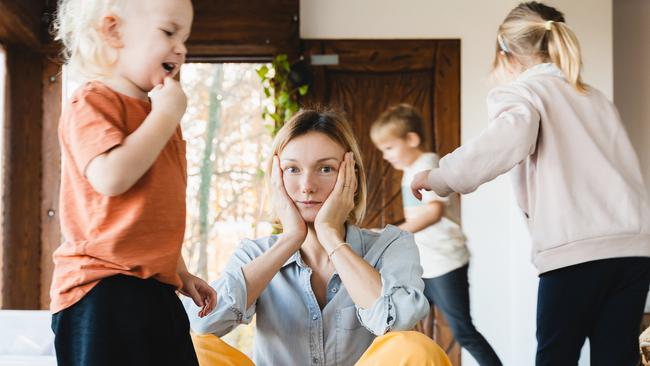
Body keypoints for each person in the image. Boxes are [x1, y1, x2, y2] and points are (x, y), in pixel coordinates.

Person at [410, 2, 650, 365]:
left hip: (577, 251)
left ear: (506, 54)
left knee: (556, 356)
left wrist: (440, 176)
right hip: (633, 249)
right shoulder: (596, 98)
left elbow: (501, 144)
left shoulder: (524, 93)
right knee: (615, 358)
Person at [185, 109, 452, 366]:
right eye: (292, 169)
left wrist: (331, 237)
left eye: (325, 169)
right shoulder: (254, 254)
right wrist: (290, 239)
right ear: (276, 178)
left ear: (352, 178)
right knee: (194, 350)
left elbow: (399, 322)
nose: (307, 186)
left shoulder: (391, 246)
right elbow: (203, 324)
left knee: (417, 348)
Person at [49, 1, 217, 365]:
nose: (181, 48)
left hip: (154, 288)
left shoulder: (158, 116)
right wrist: (166, 114)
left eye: (185, 38)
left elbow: (153, 211)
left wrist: (180, 270)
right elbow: (112, 177)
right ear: (113, 31)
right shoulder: (92, 101)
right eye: (169, 32)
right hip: (100, 289)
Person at [371, 103, 502, 365]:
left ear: (411, 139)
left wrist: (390, 235)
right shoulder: (409, 172)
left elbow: (433, 213)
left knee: (463, 332)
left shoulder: (426, 165)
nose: (386, 156)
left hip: (445, 262)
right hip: (424, 265)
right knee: (403, 329)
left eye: (389, 148)